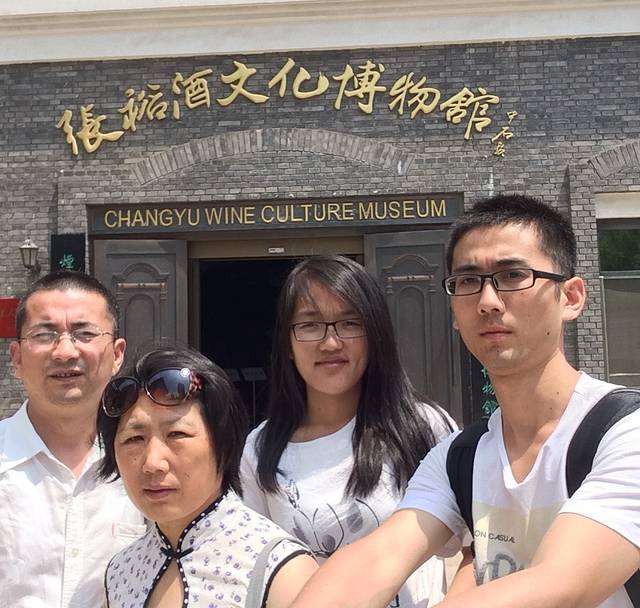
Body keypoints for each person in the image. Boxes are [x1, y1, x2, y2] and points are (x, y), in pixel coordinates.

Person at [289, 194, 640, 608]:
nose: (488, 301)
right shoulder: (460, 457)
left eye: (513, 275)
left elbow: (563, 584)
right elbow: (379, 558)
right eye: (469, 282)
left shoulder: (624, 433)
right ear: (455, 313)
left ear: (571, 297)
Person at [240, 254, 457, 608]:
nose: (330, 343)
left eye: (349, 323)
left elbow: (474, 547)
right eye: (310, 325)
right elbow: (254, 567)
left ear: (375, 335)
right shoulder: (260, 449)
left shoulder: (423, 426)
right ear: (288, 344)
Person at [97, 346, 318, 608]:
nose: (152, 463)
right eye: (134, 439)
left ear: (224, 442)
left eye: (177, 435)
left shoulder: (279, 569)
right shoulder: (120, 573)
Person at [1, 271, 146, 608]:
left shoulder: (151, 466)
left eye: (85, 333)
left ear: (117, 354)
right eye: (44, 334)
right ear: (17, 357)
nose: (65, 352)